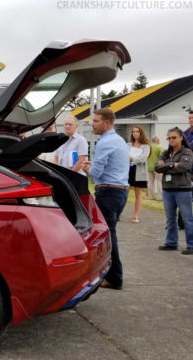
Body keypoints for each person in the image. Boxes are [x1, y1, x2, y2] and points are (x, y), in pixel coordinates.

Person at [81, 108, 129, 290]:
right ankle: (112, 275)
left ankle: (115, 277)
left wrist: (87, 169)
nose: (92, 124)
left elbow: (96, 173)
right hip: (119, 191)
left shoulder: (105, 143)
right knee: (110, 233)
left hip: (108, 191)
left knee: (107, 235)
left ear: (106, 123)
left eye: (95, 121)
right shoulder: (119, 141)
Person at [155, 128, 193, 255]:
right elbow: (157, 167)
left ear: (181, 138)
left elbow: (184, 166)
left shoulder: (187, 152)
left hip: (183, 190)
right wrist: (173, 164)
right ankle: (171, 242)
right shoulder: (166, 153)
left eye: (174, 137)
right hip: (167, 190)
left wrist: (167, 165)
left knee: (187, 218)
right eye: (169, 138)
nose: (171, 140)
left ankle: (192, 245)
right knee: (170, 218)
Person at [127, 126, 151, 223]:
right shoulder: (128, 144)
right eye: (133, 132)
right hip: (128, 170)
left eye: (137, 131)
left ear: (141, 133)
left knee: (138, 194)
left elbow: (143, 159)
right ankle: (118, 213)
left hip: (139, 171)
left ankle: (136, 215)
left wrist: (132, 159)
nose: (135, 133)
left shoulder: (146, 146)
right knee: (125, 192)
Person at [147, 135, 163, 201]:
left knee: (150, 182)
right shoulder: (159, 147)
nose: (159, 141)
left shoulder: (148, 147)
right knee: (159, 182)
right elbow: (162, 158)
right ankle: (160, 197)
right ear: (157, 140)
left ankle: (151, 196)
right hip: (158, 168)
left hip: (149, 167)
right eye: (159, 140)